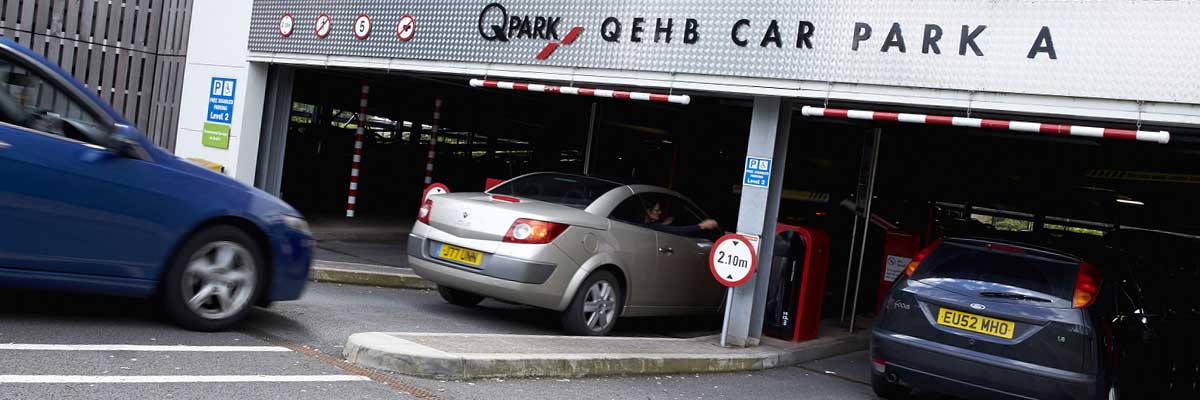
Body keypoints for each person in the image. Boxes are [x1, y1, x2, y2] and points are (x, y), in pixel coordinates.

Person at [644, 200, 719, 238]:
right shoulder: (649, 225)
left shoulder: (642, 224)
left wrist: (663, 225)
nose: (660, 212)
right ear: (648, 211)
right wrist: (701, 226)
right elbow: (679, 231)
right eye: (657, 210)